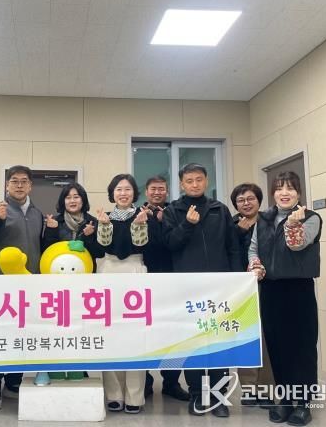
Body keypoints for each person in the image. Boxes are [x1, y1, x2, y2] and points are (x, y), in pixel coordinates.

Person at [162, 163, 242, 418]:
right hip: (188, 287)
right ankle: (197, 394)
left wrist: (236, 280)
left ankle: (219, 397)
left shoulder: (220, 209)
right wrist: (187, 224)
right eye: (189, 180)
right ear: (181, 184)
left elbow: (232, 247)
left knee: (219, 341)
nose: (194, 184)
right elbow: (170, 244)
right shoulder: (173, 211)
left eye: (199, 179)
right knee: (193, 343)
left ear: (206, 181)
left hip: (220, 287)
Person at [248, 172, 321, 426]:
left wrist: (292, 224)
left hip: (298, 289)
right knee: (277, 347)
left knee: (301, 346)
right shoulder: (263, 219)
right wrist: (256, 266)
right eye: (279, 188)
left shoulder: (311, 217)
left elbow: (297, 245)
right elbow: (253, 249)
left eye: (290, 188)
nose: (284, 192)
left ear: (298, 193)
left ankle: (303, 404)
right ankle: (286, 400)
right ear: (273, 193)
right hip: (270, 290)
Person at [0, 165, 44, 408]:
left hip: (29, 283)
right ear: (7, 185)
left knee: (23, 334)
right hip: (1, 284)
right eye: (14, 181)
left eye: (24, 181)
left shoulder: (37, 213)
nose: (19, 185)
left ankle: (14, 381)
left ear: (30, 186)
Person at [96, 174, 149, 414]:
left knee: (135, 335)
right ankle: (113, 395)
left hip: (135, 270)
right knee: (109, 333)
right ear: (112, 193)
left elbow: (144, 246)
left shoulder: (143, 215)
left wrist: (140, 225)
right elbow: (102, 247)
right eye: (118, 189)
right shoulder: (105, 217)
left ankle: (134, 397)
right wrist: (103, 225)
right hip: (108, 271)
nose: (123, 193)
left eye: (127, 189)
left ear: (134, 193)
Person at [140, 176, 190, 402]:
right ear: (146, 192)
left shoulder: (175, 213)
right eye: (153, 189)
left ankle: (171, 382)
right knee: (145, 334)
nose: (157, 192)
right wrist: (151, 222)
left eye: (161, 189)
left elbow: (177, 241)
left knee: (173, 333)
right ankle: (146, 382)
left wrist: (162, 222)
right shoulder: (138, 213)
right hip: (145, 281)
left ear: (167, 192)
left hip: (173, 280)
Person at [229, 183, 275, 408]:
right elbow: (227, 251)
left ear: (259, 200)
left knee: (266, 338)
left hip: (268, 285)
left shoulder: (270, 221)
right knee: (245, 336)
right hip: (240, 288)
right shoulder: (230, 225)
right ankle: (248, 388)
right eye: (241, 200)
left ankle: (265, 389)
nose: (246, 203)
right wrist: (238, 232)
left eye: (250, 199)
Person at [43, 182, 103, 263]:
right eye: (68, 198)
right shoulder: (55, 222)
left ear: (83, 200)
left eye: (76, 197)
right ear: (63, 201)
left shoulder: (92, 222)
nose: (72, 201)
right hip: (60, 267)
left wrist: (89, 237)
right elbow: (46, 251)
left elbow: (99, 254)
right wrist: (51, 231)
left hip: (85, 268)